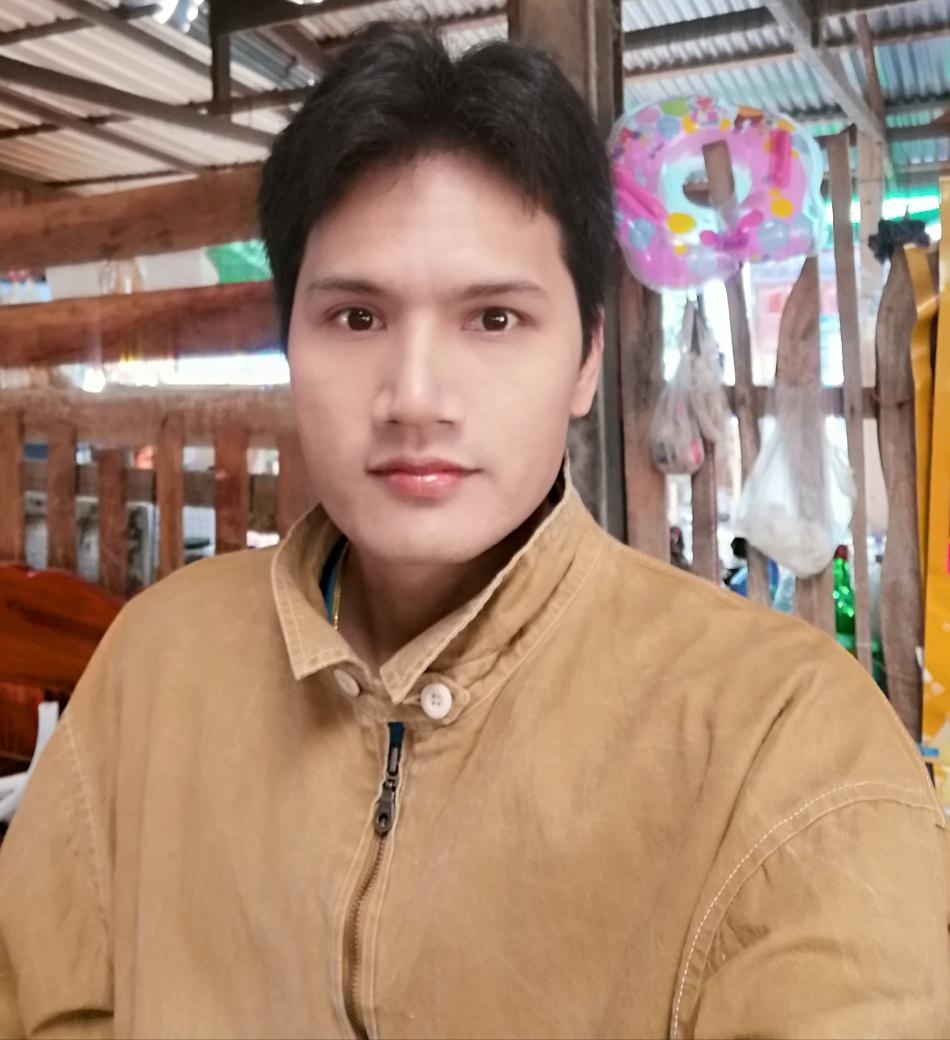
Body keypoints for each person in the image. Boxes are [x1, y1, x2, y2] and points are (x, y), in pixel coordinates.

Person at [1, 20, 948, 1040]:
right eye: (356, 317)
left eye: (494, 318)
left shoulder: (786, 742)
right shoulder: (155, 663)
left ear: (586, 359)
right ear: (290, 344)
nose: (415, 397)